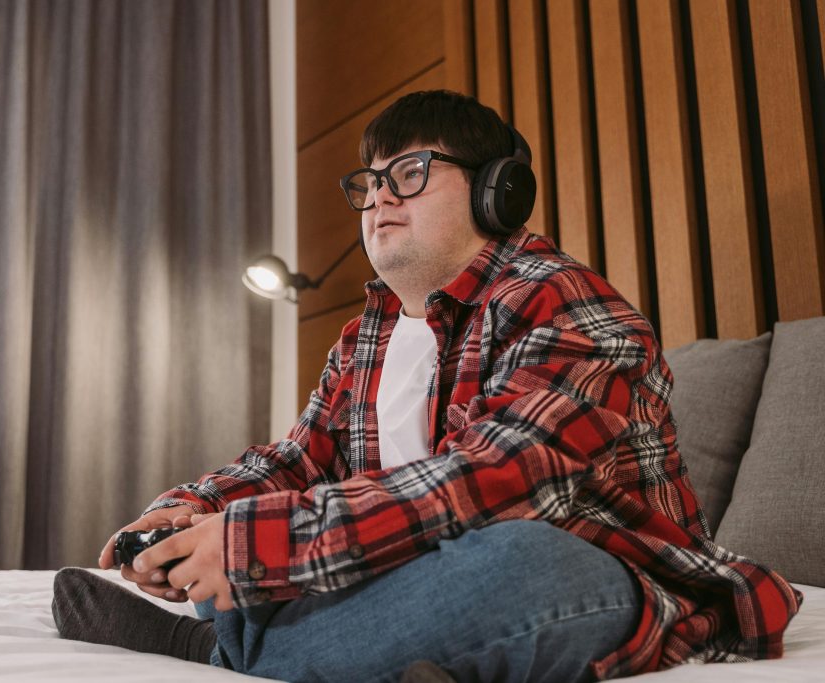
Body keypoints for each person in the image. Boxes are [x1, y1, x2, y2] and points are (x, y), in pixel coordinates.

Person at [51, 90, 801, 682]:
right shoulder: (365, 337)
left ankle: (211, 645)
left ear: (496, 193)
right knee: (319, 539)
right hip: (424, 571)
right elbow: (300, 460)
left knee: (519, 564)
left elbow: (493, 483)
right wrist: (199, 508)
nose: (378, 197)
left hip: (599, 576)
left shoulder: (569, 303)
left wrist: (248, 551)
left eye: (408, 173)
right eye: (369, 182)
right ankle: (411, 664)